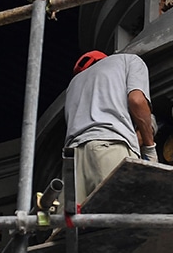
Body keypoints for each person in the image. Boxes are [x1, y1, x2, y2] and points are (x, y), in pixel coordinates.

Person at [63, 50, 158, 204]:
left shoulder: (72, 86)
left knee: (71, 225)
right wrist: (149, 146)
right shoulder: (128, 60)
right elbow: (137, 101)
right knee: (122, 213)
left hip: (72, 159)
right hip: (109, 146)